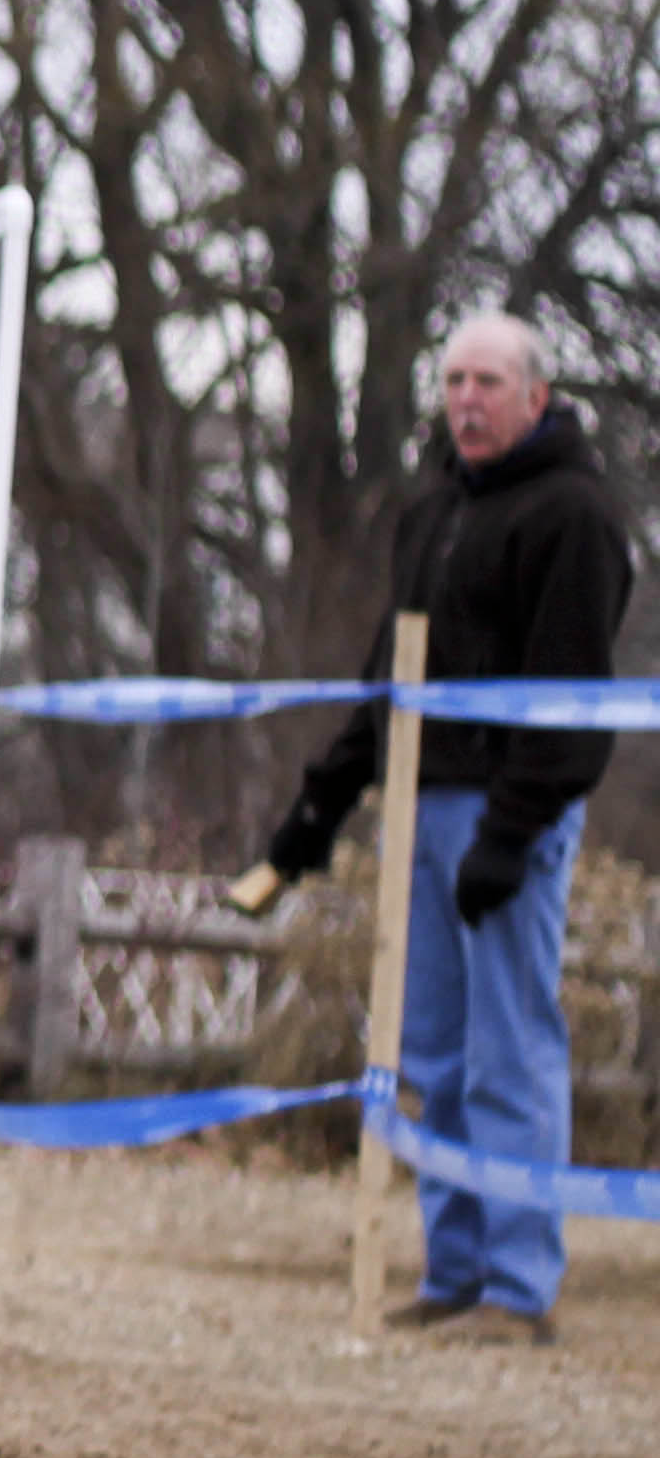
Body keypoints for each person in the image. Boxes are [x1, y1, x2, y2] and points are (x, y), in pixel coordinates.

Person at [254, 313, 633, 1345]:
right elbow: (391, 676)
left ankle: (518, 1287)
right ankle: (454, 1266)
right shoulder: (430, 517)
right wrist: (317, 808)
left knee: (509, 1046)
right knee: (429, 1048)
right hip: (417, 803)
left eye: (487, 382)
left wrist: (510, 832)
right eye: (454, 380)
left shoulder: (576, 517)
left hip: (510, 809)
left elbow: (573, 704)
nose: (466, 399)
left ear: (535, 394)